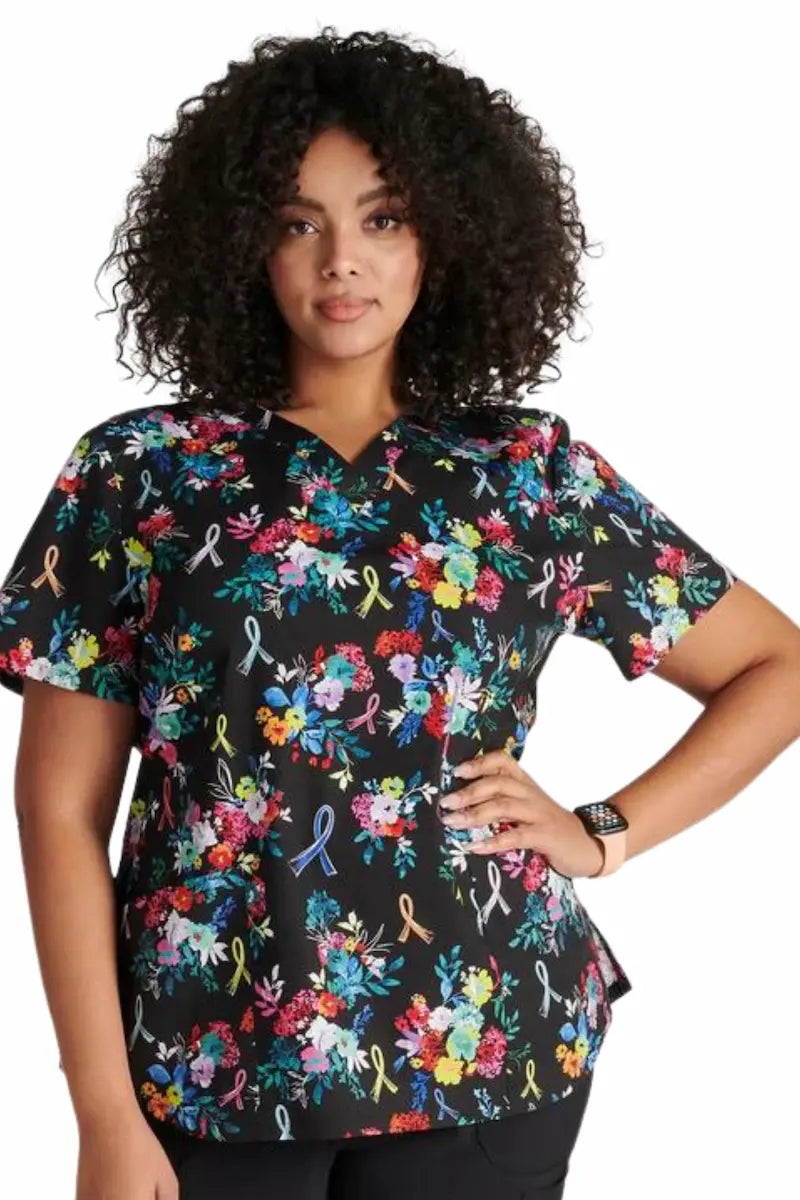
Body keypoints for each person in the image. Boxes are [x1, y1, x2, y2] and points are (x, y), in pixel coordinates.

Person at [2, 25, 798, 1200]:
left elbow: (772, 667)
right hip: (201, 1069)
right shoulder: (142, 473)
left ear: (447, 235)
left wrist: (604, 832)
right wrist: (101, 1111)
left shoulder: (525, 471)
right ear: (237, 243)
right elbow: (60, 812)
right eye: (296, 221)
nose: (341, 261)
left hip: (487, 1043)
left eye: (381, 219)